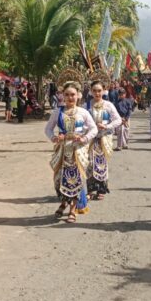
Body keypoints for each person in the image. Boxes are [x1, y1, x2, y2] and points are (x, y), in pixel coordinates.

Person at [45, 81, 98, 223]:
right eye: (67, 95)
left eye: (73, 95)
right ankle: (63, 202)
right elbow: (48, 129)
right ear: (62, 96)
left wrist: (84, 138)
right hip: (62, 150)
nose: (70, 98)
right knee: (60, 179)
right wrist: (54, 138)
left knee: (76, 179)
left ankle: (73, 209)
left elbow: (94, 129)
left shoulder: (83, 112)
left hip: (77, 151)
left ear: (78, 95)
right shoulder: (58, 112)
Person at [85, 81, 122, 200]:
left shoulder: (108, 105)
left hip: (104, 137)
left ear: (103, 91)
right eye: (94, 91)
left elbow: (118, 120)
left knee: (101, 162)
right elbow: (81, 121)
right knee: (89, 162)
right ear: (91, 91)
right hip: (90, 138)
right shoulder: (86, 106)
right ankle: (90, 189)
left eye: (99, 91)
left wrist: (107, 126)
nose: (97, 93)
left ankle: (101, 189)